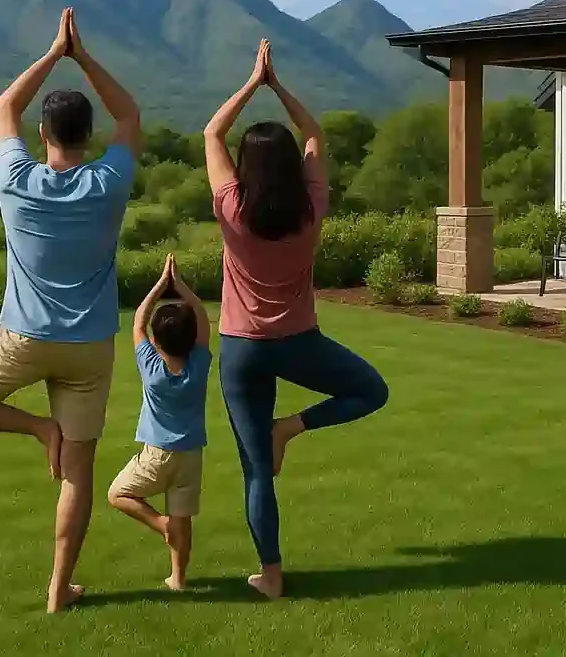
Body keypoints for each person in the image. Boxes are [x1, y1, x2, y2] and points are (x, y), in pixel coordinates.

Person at [0, 7, 141, 613]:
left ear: (44, 134)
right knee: (78, 472)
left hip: (19, 339)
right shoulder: (108, 181)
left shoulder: (17, 178)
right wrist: (83, 55)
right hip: (90, 349)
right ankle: (58, 589)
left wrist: (54, 51)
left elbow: (1, 110)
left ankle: (36, 429)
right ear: (88, 136)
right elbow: (130, 114)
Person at [206, 39, 388, 600]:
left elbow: (212, 134)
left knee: (257, 471)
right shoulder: (310, 206)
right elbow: (316, 135)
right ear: (291, 166)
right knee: (371, 391)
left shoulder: (232, 207)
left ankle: (273, 576)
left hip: (241, 347)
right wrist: (278, 86)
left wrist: (250, 84)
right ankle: (293, 426)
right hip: (298, 341)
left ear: (246, 166)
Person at [108, 254, 211, 592]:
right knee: (184, 519)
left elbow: (138, 323)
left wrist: (158, 286)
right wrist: (180, 286)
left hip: (158, 455)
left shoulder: (152, 369)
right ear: (192, 337)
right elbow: (204, 321)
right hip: (191, 455)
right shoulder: (198, 365)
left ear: (158, 339)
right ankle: (178, 579)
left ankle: (160, 524)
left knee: (118, 494)